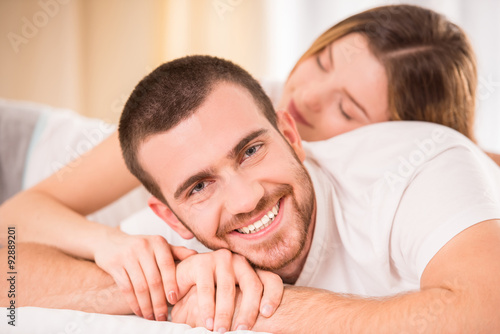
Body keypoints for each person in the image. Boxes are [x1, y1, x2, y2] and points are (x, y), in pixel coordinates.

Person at [1, 3, 500, 329]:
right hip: (24, 156)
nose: (306, 97)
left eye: (348, 110)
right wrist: (152, 272)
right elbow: (12, 240)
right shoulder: (219, 109)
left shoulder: (419, 165)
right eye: (323, 61)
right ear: (169, 214)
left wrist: (248, 304)